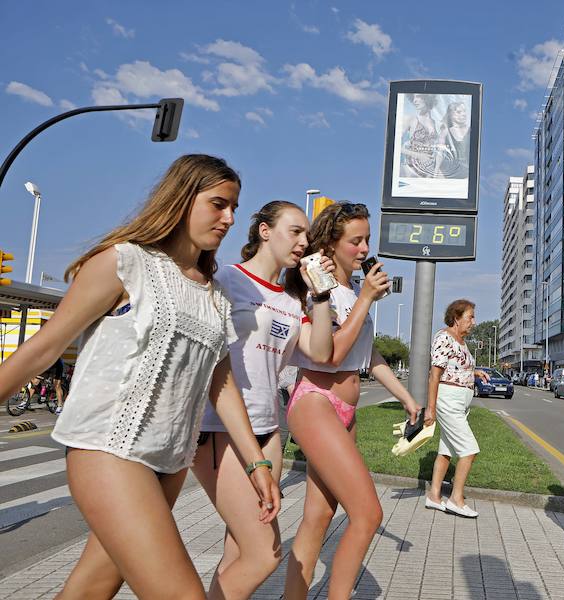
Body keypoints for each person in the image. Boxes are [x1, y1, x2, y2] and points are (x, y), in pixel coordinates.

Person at [0, 155, 280, 599]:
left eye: (233, 208)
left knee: (93, 587)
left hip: (169, 461)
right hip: (109, 448)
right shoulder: (123, 262)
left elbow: (221, 385)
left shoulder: (215, 294)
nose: (229, 219)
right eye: (218, 204)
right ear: (182, 199)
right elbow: (44, 347)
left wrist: (257, 463)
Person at [192, 200, 335, 600]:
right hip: (217, 427)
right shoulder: (225, 279)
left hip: (269, 429)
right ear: (264, 231)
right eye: (296, 232)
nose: (304, 242)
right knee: (264, 554)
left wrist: (319, 296)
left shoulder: (292, 302)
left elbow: (321, 352)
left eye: (307, 235)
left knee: (236, 550)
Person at [284, 202, 420, 600]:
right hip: (316, 402)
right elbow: (332, 355)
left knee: (319, 516)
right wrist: (365, 301)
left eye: (366, 240)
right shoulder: (318, 289)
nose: (364, 250)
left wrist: (407, 397)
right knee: (367, 514)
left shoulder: (353, 293)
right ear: (330, 245)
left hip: (345, 410)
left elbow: (368, 354)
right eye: (355, 241)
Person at [424, 299, 489, 518]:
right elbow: (435, 375)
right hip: (449, 401)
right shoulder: (444, 338)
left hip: (459, 402)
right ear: (456, 318)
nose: (473, 322)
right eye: (470, 317)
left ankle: (434, 495)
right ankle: (456, 498)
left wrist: (475, 372)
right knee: (469, 450)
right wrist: (430, 409)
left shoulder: (460, 341)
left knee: (447, 450)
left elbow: (457, 368)